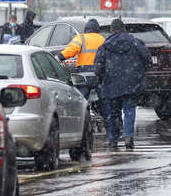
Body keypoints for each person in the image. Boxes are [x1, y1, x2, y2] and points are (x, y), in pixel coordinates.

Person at [94, 18, 152, 151]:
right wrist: (141, 71)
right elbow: (147, 59)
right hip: (131, 83)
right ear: (123, 28)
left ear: (111, 30)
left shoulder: (105, 46)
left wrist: (101, 78)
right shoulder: (134, 42)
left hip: (111, 85)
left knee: (114, 113)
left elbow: (98, 67)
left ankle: (113, 139)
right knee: (129, 110)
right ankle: (128, 136)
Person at [58, 19, 105, 100]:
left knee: (82, 100)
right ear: (97, 29)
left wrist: (60, 57)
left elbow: (71, 50)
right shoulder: (102, 39)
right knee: (104, 100)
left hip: (84, 75)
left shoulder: (81, 38)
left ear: (86, 28)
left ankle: (84, 111)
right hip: (98, 75)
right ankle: (107, 112)